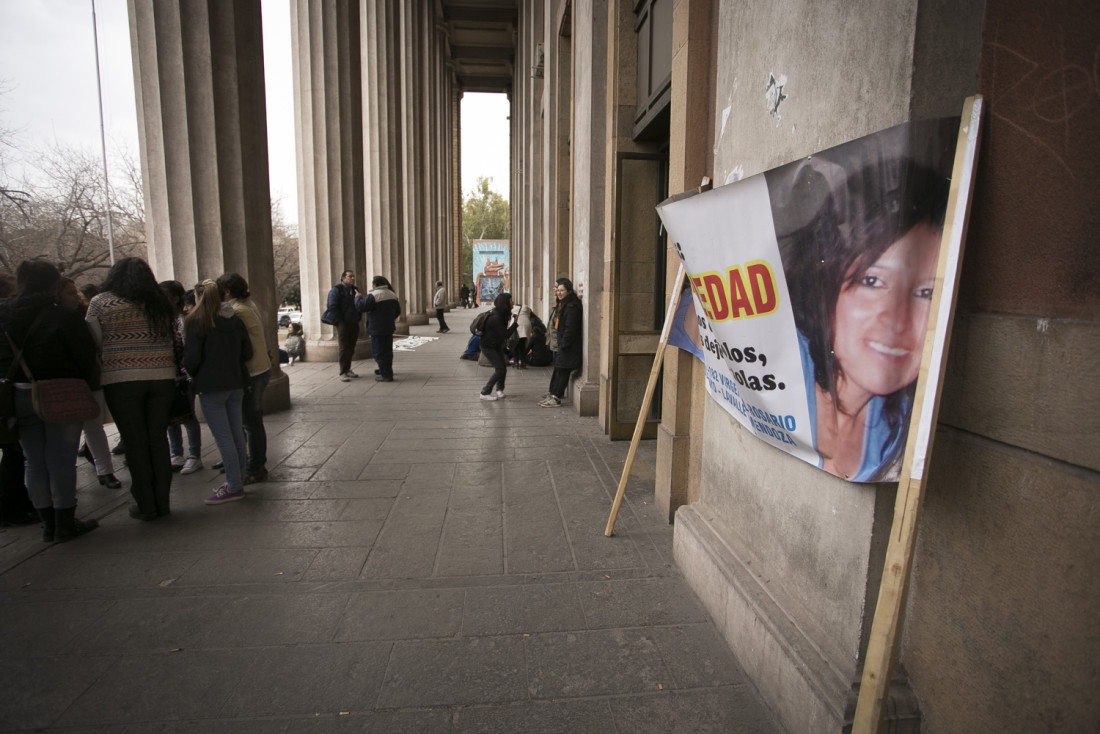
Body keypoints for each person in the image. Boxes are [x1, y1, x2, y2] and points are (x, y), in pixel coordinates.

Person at [776, 159, 948, 481]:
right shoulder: (777, 359)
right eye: (872, 282)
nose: (898, 323)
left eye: (927, 293)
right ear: (826, 284)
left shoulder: (898, 423)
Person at [0, 261, 100, 541]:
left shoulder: (4, 314)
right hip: (61, 392)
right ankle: (65, 521)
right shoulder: (63, 316)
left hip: (18, 394)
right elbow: (85, 354)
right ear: (54, 284)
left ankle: (47, 524)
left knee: (33, 459)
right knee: (60, 459)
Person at [87, 257, 180, 521]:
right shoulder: (160, 303)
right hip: (162, 378)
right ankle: (163, 502)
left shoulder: (101, 302)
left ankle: (146, 504)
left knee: (135, 442)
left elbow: (94, 340)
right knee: (158, 440)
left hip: (121, 380)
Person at [184, 280, 252, 505]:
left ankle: (234, 486)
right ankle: (238, 479)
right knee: (236, 434)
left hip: (211, 386)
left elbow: (191, 359)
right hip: (235, 382)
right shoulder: (234, 320)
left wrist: (195, 373)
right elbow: (247, 351)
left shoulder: (198, 322)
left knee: (224, 437)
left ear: (198, 297)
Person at [59, 277, 122, 489]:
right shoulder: (58, 318)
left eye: (74, 292)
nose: (75, 297)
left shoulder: (84, 315)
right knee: (74, 432)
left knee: (94, 428)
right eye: (69, 293)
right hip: (68, 381)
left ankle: (105, 471)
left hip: (90, 378)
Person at [216, 273, 271, 485]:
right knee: (251, 421)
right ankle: (248, 462)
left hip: (253, 371)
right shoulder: (248, 304)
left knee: (251, 421)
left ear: (227, 292)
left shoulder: (237, 310)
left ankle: (256, 466)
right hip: (261, 368)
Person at [158, 280, 203, 476]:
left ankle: (194, 456)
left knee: (188, 416)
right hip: (166, 375)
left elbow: (188, 348)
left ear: (174, 298)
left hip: (184, 376)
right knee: (170, 416)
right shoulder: (161, 319)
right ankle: (176, 453)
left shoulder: (183, 321)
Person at [539, 278, 582, 408]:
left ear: (568, 291)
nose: (559, 292)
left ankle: (556, 397)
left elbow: (571, 329)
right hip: (563, 344)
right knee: (558, 369)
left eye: (562, 290)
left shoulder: (571, 306)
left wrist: (563, 344)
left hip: (568, 346)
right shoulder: (564, 303)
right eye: (558, 290)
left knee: (562, 370)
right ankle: (553, 394)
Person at [354, 275, 401, 382]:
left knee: (378, 352)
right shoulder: (392, 294)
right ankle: (384, 369)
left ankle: (386, 375)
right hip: (388, 327)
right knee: (387, 351)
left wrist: (357, 297)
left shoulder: (374, 295)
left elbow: (361, 307)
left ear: (374, 284)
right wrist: (389, 319)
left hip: (376, 328)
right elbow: (397, 311)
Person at [479, 293, 517, 401]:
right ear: (505, 303)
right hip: (488, 346)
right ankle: (485, 392)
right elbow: (506, 335)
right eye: (511, 300)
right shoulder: (497, 317)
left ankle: (499, 389)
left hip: (495, 344)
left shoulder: (501, 314)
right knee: (500, 369)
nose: (512, 302)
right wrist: (515, 323)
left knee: (502, 368)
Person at [326, 270, 362, 381]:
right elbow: (332, 306)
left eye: (353, 276)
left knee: (351, 347)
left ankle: (348, 369)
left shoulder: (355, 290)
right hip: (343, 323)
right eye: (350, 276)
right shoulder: (337, 290)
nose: (352, 278)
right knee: (343, 347)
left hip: (354, 321)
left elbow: (358, 305)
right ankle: (343, 371)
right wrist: (340, 321)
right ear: (343, 278)